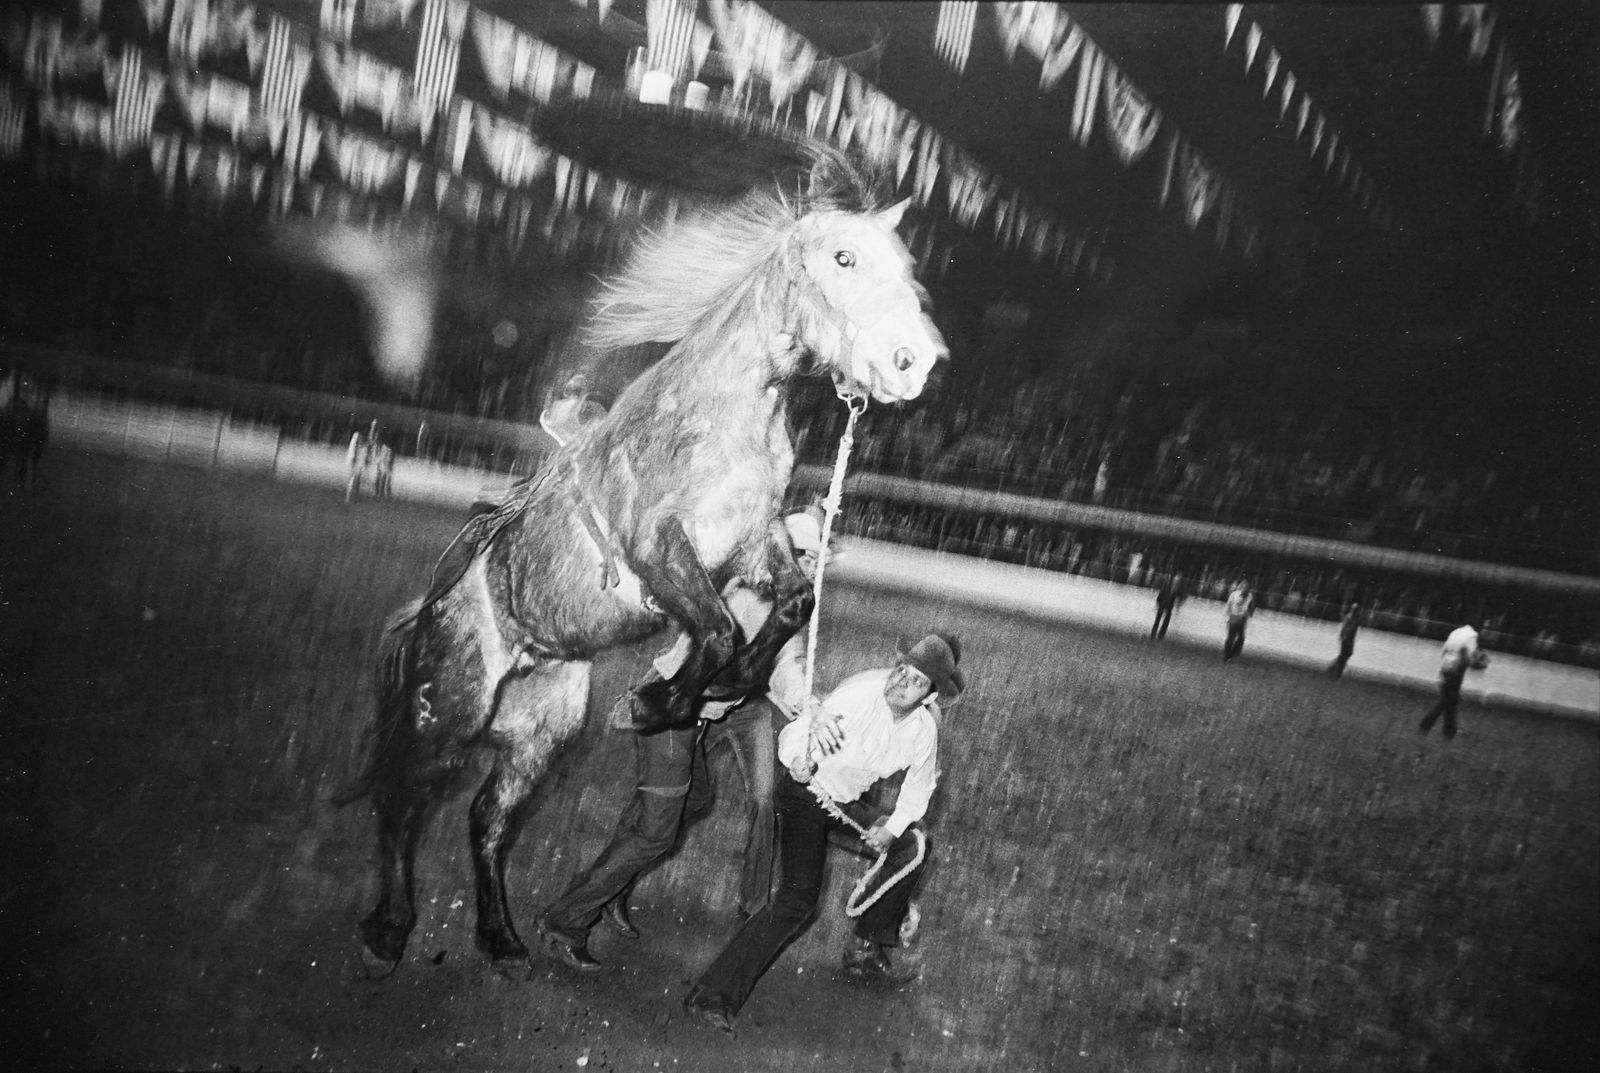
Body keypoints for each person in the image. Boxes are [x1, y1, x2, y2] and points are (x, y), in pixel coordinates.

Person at [537, 509, 831, 971]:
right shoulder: (749, 596)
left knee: (693, 799)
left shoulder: (780, 605)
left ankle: (614, 884)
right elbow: (758, 664)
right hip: (671, 709)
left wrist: (806, 702)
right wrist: (789, 691)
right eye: (805, 559)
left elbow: (786, 666)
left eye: (816, 561)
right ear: (782, 557)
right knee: (655, 833)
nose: (812, 570)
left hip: (690, 715)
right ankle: (565, 921)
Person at [681, 632, 963, 1035]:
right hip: (805, 794)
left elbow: (919, 788)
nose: (901, 682)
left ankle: (865, 952)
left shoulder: (923, 730)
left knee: (912, 846)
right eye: (901, 669)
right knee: (796, 903)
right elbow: (800, 729)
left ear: (930, 696)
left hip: (843, 803)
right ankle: (711, 995)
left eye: (916, 681)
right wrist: (797, 758)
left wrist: (892, 828)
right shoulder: (860, 694)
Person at [1419, 621, 1488, 739]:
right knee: (1449, 700)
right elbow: (1467, 655)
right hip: (1457, 669)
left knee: (1450, 700)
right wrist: (1478, 664)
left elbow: (1444, 650)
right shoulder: (1472, 636)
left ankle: (1446, 730)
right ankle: (1431, 726)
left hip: (1446, 667)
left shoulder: (1456, 632)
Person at [1222, 581, 1255, 662]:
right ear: (1241, 588)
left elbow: (1251, 605)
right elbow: (1228, 605)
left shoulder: (1250, 596)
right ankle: (1227, 656)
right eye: (1244, 588)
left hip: (1243, 618)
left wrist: (1249, 614)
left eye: (1247, 589)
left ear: (1249, 590)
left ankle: (1233, 655)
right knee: (1231, 638)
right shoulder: (1234, 595)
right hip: (1234, 617)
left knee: (1241, 638)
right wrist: (1226, 617)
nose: (1245, 590)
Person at [1328, 602, 1363, 676]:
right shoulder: (1351, 617)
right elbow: (1347, 628)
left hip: (1349, 638)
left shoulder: (1354, 618)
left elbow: (1347, 628)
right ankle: (1336, 668)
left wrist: (1342, 636)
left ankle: (1334, 667)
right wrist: (1343, 636)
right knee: (1345, 654)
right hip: (1347, 638)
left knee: (1347, 654)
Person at [1151, 574, 1184, 639]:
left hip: (1168, 601)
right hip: (1164, 600)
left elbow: (1178, 593)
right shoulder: (1168, 580)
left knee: (1164, 618)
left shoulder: (1172, 580)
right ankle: (1155, 635)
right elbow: (1161, 592)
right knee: (1161, 618)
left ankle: (1158, 635)